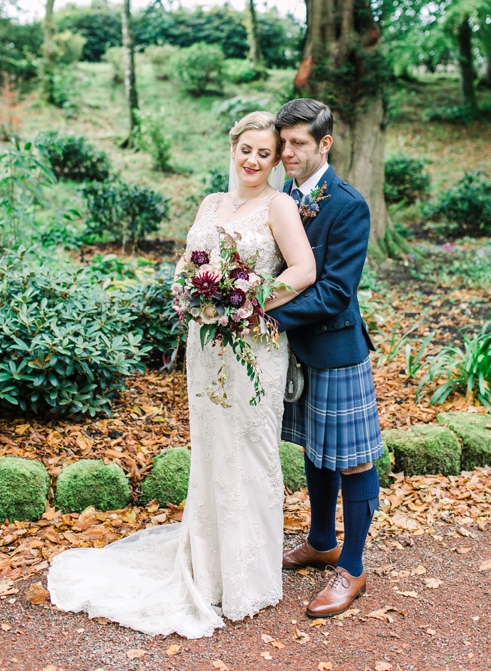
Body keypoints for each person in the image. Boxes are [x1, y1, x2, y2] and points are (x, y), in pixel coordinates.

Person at [48, 112, 316, 638]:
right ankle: (207, 562)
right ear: (233, 147)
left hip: (254, 345)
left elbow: (303, 271)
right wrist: (191, 294)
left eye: (265, 153)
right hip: (205, 344)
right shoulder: (211, 204)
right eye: (247, 149)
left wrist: (251, 303)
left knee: (251, 447)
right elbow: (187, 265)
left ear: (274, 157)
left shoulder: (280, 205)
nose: (254, 161)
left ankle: (247, 575)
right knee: (212, 447)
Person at [268, 98, 383, 618]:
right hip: (296, 352)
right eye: (283, 143)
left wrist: (266, 316)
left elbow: (337, 290)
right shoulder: (282, 197)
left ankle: (353, 566)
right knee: (316, 450)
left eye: (298, 144)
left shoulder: (348, 204)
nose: (287, 153)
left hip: (337, 351)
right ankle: (320, 540)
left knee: (353, 458)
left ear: (325, 144)